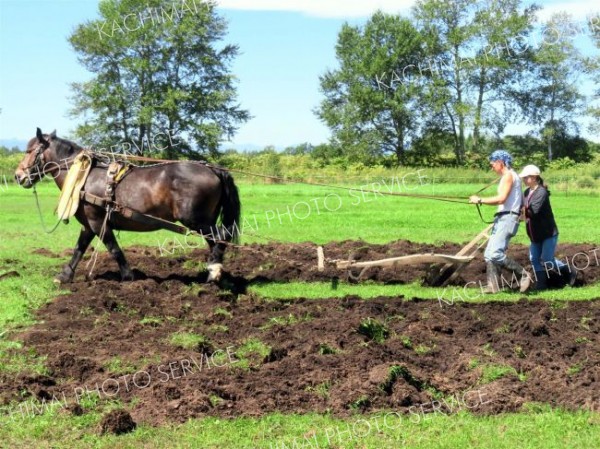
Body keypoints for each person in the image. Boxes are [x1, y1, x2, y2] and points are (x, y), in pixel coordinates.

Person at [469, 150, 531, 293]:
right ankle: (493, 286)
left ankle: (523, 274)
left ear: (500, 162)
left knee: (495, 253)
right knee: (489, 254)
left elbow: (501, 198)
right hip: (505, 217)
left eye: (492, 164)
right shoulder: (511, 176)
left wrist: (479, 200)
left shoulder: (508, 176)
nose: (491, 168)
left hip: (507, 218)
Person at [519, 164, 576, 290]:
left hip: (548, 232)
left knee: (546, 259)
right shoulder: (527, 192)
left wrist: (521, 213)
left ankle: (569, 271)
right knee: (534, 258)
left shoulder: (541, 192)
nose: (523, 180)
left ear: (534, 177)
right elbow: (524, 209)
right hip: (534, 233)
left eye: (526, 177)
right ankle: (541, 284)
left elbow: (534, 211)